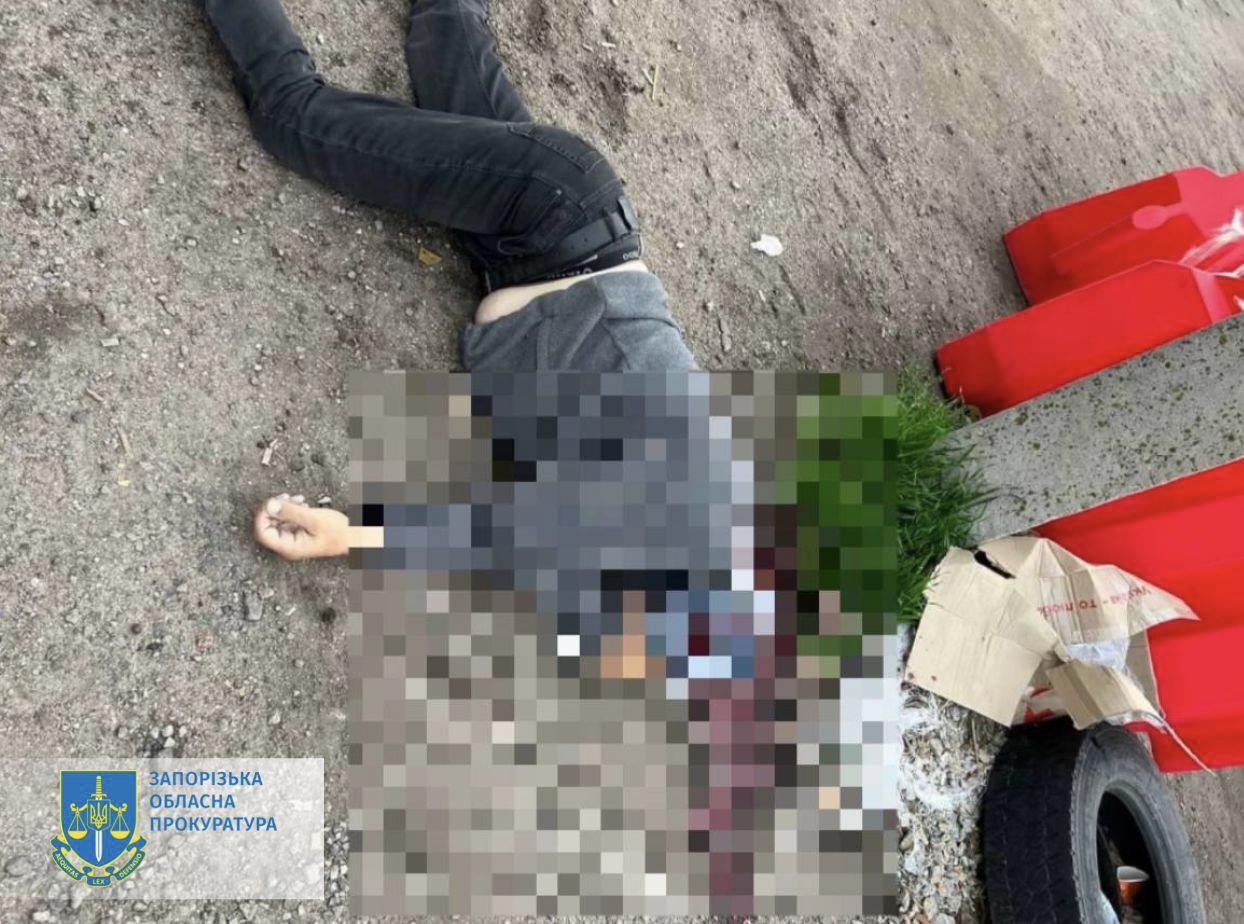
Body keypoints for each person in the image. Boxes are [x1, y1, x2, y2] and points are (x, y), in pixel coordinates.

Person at [196, 0, 698, 557]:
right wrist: (353, 538)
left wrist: (348, 539)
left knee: (448, 47)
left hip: (537, 235)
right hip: (546, 211)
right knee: (290, 115)